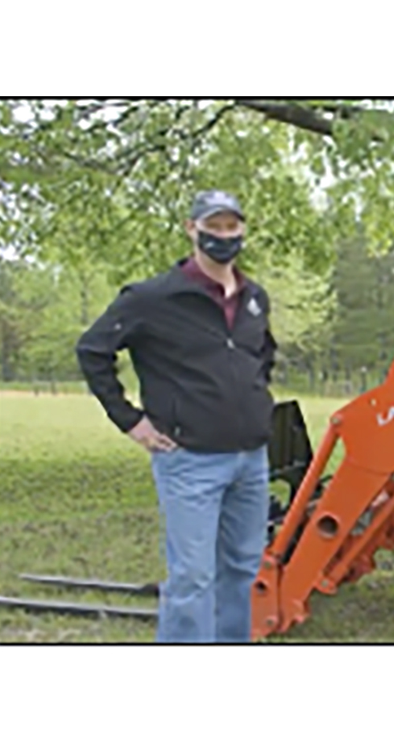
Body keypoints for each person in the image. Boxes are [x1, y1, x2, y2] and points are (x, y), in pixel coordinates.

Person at [75, 190, 278, 643]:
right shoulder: (153, 298)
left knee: (242, 569)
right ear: (192, 229)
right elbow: (92, 351)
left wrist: (252, 403)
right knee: (192, 579)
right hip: (190, 462)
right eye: (213, 226)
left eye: (231, 226)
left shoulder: (255, 297)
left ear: (243, 230)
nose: (223, 235)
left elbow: (261, 356)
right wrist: (131, 421)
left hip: (251, 460)